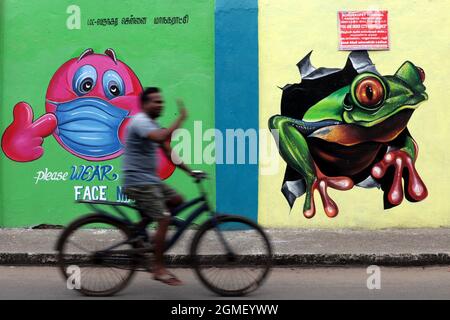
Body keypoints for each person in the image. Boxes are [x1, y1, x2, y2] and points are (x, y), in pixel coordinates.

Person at [122, 87, 194, 286]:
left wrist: (191, 171)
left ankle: (140, 232)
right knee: (164, 218)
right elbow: (162, 138)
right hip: (138, 182)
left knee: (177, 200)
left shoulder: (153, 124)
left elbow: (169, 152)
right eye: (156, 101)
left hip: (150, 181)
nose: (160, 105)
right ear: (145, 104)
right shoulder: (140, 122)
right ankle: (158, 268)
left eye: (161, 101)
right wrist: (180, 119)